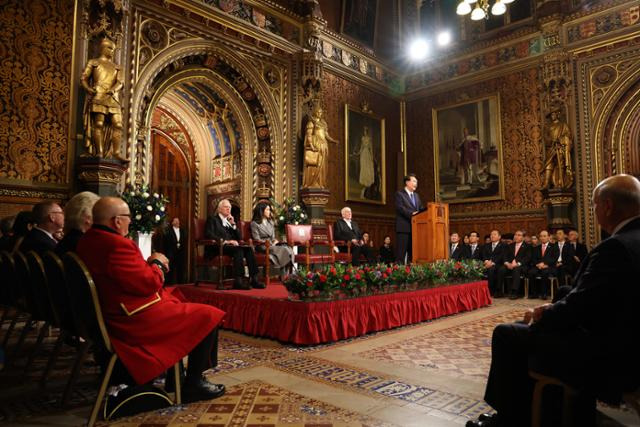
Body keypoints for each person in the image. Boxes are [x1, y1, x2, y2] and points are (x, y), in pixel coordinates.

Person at [467, 174, 640, 427]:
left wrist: (542, 313)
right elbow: (597, 296)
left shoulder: (614, 248)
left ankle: (509, 419)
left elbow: (579, 308)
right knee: (548, 308)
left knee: (507, 333)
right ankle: (553, 409)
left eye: (593, 206)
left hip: (611, 355)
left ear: (607, 206)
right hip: (627, 337)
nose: (594, 212)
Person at [77, 197, 226, 402]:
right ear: (117, 221)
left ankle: (177, 376)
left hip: (112, 310)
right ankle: (194, 383)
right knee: (209, 315)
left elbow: (128, 278)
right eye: (128, 217)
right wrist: (157, 262)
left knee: (180, 301)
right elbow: (148, 284)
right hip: (131, 319)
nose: (131, 221)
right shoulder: (116, 245)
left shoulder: (87, 239)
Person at [80, 38, 127, 161]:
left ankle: (116, 152)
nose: (112, 51)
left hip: (113, 98)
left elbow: (120, 82)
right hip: (99, 95)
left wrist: (114, 89)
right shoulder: (94, 62)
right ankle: (99, 152)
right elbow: (84, 78)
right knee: (99, 124)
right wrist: (89, 89)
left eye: (113, 49)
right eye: (110, 48)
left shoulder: (118, 67)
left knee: (118, 125)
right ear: (103, 48)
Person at [205, 199, 262, 290]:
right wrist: (226, 241)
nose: (228, 209)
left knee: (248, 249)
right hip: (217, 247)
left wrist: (233, 224)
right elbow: (209, 234)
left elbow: (239, 238)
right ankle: (238, 281)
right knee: (238, 249)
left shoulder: (228, 221)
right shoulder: (212, 219)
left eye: (230, 207)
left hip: (230, 248)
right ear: (219, 209)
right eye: (226, 207)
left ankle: (254, 279)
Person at [302, 104, 338, 189]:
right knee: (316, 164)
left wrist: (333, 141)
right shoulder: (311, 122)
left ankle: (321, 182)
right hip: (316, 145)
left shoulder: (323, 123)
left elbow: (326, 135)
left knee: (323, 166)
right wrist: (311, 145)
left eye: (321, 112)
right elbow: (309, 135)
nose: (319, 113)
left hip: (324, 145)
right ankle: (312, 183)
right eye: (318, 112)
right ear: (314, 112)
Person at [250, 202, 294, 272]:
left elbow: (273, 237)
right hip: (262, 246)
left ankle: (287, 273)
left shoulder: (270, 222)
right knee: (283, 250)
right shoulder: (254, 223)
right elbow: (256, 239)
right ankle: (284, 274)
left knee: (288, 248)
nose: (269, 212)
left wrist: (274, 241)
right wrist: (270, 243)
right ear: (261, 211)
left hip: (272, 245)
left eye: (269, 210)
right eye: (267, 210)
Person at [541, 109, 573, 190]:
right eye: (551, 115)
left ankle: (560, 181)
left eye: (554, 114)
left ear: (557, 114)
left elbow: (568, 135)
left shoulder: (563, 125)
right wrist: (551, 141)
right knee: (549, 163)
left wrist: (560, 140)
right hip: (551, 147)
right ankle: (547, 182)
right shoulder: (548, 127)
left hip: (560, 147)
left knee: (561, 163)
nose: (552, 116)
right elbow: (546, 137)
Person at [395, 174, 423, 263]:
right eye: (414, 181)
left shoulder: (416, 196)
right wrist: (412, 214)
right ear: (407, 182)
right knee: (401, 254)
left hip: (415, 229)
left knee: (413, 254)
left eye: (417, 182)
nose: (416, 184)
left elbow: (420, 208)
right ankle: (399, 274)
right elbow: (400, 208)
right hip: (404, 228)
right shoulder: (399, 194)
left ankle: (411, 274)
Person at [497, 230, 531, 299]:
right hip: (510, 265)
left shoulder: (528, 246)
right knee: (501, 269)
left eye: (519, 235)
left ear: (523, 238)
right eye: (515, 235)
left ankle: (514, 291)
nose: (516, 236)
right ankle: (499, 290)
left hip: (521, 266)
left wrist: (517, 264)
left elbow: (527, 258)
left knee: (516, 269)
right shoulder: (510, 245)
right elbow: (505, 256)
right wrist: (507, 263)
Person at [527, 230, 559, 299]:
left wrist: (544, 263)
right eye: (541, 236)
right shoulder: (536, 248)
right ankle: (534, 293)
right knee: (531, 272)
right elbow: (533, 258)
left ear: (548, 237)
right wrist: (538, 264)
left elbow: (554, 258)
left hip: (549, 266)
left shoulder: (554, 246)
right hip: (538, 266)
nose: (542, 238)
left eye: (544, 236)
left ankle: (544, 293)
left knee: (545, 272)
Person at [480, 229, 505, 296]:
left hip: (499, 264)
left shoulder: (503, 245)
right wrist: (486, 261)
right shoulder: (486, 245)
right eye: (491, 234)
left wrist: (492, 263)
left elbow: (501, 256)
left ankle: (496, 290)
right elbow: (483, 255)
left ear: (499, 236)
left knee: (493, 269)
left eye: (494, 234)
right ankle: (487, 291)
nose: (492, 236)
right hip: (487, 264)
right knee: (484, 269)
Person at [163, 217, 187, 285]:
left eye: (178, 221)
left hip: (180, 253)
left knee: (180, 269)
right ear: (172, 223)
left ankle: (181, 284)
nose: (177, 222)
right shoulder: (168, 231)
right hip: (171, 253)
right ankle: (169, 284)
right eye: (175, 221)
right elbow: (166, 243)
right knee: (171, 270)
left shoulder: (183, 231)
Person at [354, 126, 374, 196]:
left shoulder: (369, 139)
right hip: (363, 154)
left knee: (367, 167)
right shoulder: (362, 138)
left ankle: (367, 181)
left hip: (367, 153)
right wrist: (358, 153)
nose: (364, 132)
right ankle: (363, 180)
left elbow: (371, 148)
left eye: (366, 131)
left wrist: (372, 157)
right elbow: (361, 147)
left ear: (367, 132)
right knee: (363, 167)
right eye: (364, 131)